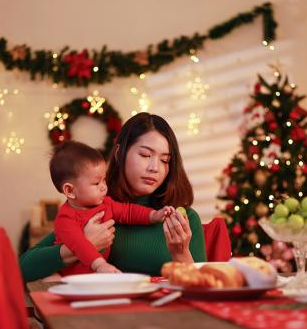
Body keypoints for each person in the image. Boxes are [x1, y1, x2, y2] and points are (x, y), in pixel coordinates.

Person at [20, 112, 207, 280]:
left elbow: (201, 288)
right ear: (119, 153)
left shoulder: (183, 219)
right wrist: (83, 245)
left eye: (165, 160)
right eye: (144, 155)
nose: (154, 168)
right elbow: (23, 268)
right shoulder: (96, 208)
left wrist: (181, 254)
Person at [49, 141, 173, 276]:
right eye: (96, 183)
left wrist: (153, 215)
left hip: (95, 275)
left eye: (104, 180)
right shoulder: (66, 219)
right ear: (69, 190)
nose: (103, 186)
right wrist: (100, 264)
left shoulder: (106, 204)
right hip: (70, 277)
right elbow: (80, 245)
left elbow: (128, 212)